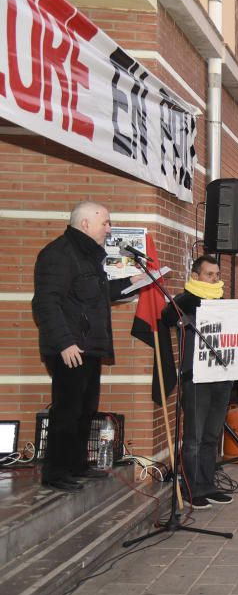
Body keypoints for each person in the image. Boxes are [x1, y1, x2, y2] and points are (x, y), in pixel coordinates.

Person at [32, 202, 140, 492]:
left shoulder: (88, 257)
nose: (109, 228)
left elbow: (97, 294)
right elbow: (45, 303)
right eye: (105, 223)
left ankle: (77, 464)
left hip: (88, 347)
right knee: (67, 410)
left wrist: (132, 282)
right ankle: (56, 472)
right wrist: (65, 343)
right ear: (84, 225)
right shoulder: (59, 254)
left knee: (85, 409)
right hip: (70, 347)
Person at [160, 255, 234, 509]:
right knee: (194, 437)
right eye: (208, 274)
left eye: (216, 274)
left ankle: (207, 485)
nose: (214, 279)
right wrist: (189, 300)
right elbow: (167, 316)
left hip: (221, 377)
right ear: (195, 276)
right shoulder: (185, 301)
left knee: (212, 436)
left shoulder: (221, 303)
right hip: (196, 377)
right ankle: (191, 489)